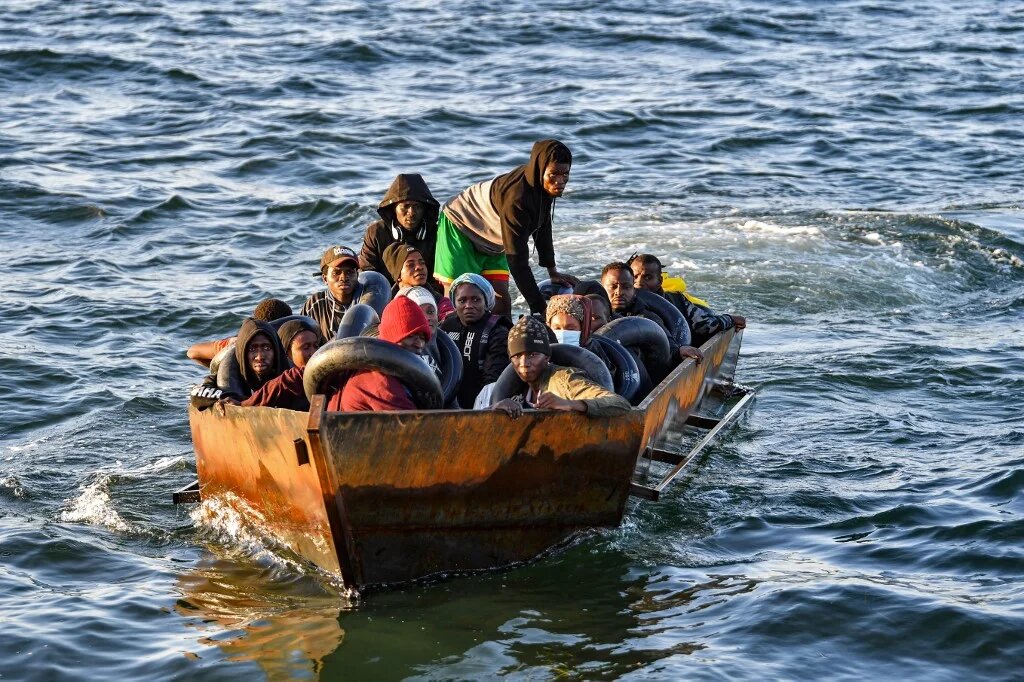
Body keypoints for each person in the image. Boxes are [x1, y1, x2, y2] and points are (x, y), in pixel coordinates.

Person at [434, 139, 578, 316]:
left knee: (501, 304)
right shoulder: (517, 199)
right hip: (460, 225)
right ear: (540, 170)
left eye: (565, 175)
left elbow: (543, 224)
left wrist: (552, 271)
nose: (560, 181)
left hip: (492, 236)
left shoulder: (543, 187)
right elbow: (517, 261)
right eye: (554, 174)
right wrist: (540, 308)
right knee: (460, 300)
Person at [492, 317, 631, 419]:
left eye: (533, 355)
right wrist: (495, 409)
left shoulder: (565, 379)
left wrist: (570, 404)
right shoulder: (514, 389)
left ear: (546, 357)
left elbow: (620, 404)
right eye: (517, 356)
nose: (524, 363)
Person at [328, 296, 432, 412]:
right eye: (411, 336)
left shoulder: (383, 371)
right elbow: (413, 426)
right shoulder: (381, 381)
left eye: (422, 337)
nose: (419, 344)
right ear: (393, 338)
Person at [628, 253, 746, 347]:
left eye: (648, 277)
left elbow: (705, 326)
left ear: (659, 281)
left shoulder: (678, 300)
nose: (639, 283)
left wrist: (729, 319)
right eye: (635, 277)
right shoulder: (621, 305)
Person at [600, 262, 702, 364]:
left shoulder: (646, 318)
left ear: (633, 289)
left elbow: (664, 339)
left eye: (626, 287)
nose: (619, 292)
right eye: (613, 286)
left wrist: (678, 350)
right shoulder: (593, 313)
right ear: (602, 288)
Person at [439, 273, 512, 408]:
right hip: (447, 402)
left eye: (476, 300)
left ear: (486, 302)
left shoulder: (498, 331)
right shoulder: (446, 326)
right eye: (462, 300)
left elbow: (494, 378)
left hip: (484, 404)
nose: (469, 305)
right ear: (454, 303)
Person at [359, 174, 440, 286]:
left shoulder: (436, 233)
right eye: (405, 206)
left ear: (424, 209)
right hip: (385, 294)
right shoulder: (376, 232)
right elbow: (366, 275)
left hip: (426, 293)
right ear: (394, 208)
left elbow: (440, 277)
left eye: (417, 206)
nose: (411, 212)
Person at [185, 298, 292, 367]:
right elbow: (192, 352)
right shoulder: (297, 343)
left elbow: (192, 352)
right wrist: (224, 365)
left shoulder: (240, 343)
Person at [382, 243, 454, 321]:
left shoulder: (440, 302)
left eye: (422, 263)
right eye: (410, 265)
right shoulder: (385, 306)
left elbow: (449, 318)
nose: (419, 267)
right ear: (398, 276)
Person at [302, 245, 360, 340]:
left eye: (349, 272)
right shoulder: (315, 305)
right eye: (336, 273)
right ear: (325, 278)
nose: (344, 278)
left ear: (357, 275)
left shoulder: (368, 297)